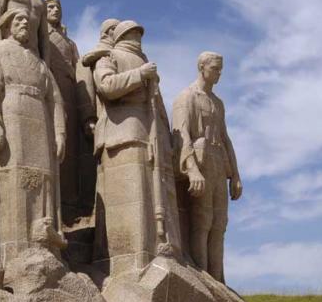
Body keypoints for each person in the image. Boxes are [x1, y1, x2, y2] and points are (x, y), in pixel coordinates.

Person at [0, 7, 67, 263]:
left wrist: (59, 132)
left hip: (40, 122)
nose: (24, 23)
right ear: (7, 26)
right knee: (14, 181)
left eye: (28, 20)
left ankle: (44, 244)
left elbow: (56, 100)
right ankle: (15, 254)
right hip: (12, 118)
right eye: (19, 19)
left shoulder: (39, 64)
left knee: (42, 181)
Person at [91, 20, 182, 276]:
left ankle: (157, 252)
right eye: (133, 34)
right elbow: (106, 86)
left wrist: (166, 141)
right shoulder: (109, 57)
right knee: (131, 199)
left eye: (139, 35)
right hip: (123, 131)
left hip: (149, 135)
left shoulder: (146, 64)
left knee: (151, 197)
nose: (138, 39)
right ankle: (129, 263)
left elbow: (159, 108)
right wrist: (139, 75)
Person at [171, 51, 242, 283]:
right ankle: (204, 279)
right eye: (215, 68)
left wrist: (236, 176)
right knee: (203, 221)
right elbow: (181, 135)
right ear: (202, 67)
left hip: (219, 165)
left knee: (219, 224)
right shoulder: (187, 97)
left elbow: (225, 139)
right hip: (200, 164)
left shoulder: (218, 103)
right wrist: (192, 170)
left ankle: (218, 279)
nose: (219, 74)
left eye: (221, 69)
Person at [44, 0, 85, 221]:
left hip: (69, 93)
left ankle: (71, 202)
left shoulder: (70, 43)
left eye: (57, 8)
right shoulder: (43, 36)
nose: (54, 11)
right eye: (50, 7)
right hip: (51, 92)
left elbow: (79, 71)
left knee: (72, 153)